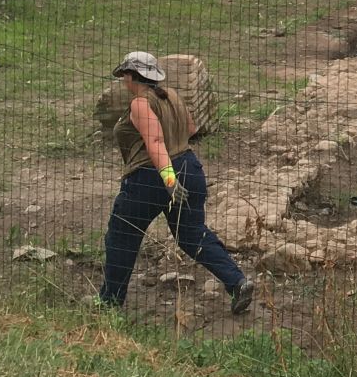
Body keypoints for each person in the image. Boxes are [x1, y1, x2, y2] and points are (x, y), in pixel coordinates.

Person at [98, 52, 254, 314]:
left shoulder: (140, 103)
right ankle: (237, 281)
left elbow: (155, 142)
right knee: (192, 234)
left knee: (122, 235)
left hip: (151, 176)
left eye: (124, 75)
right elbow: (192, 129)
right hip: (189, 166)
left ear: (131, 76)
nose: (123, 80)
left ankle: (108, 301)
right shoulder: (171, 95)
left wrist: (169, 179)